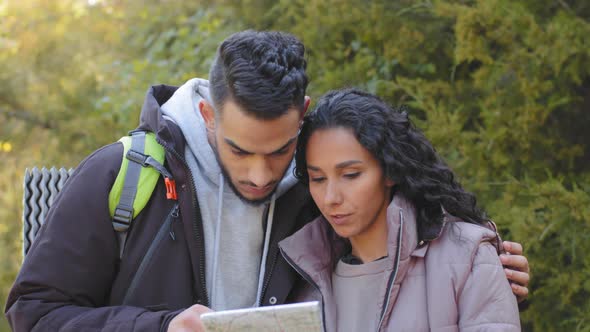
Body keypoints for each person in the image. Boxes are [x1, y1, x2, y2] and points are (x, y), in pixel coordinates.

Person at [5, 31, 528, 332]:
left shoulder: (317, 189)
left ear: (301, 115)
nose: (260, 174)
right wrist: (160, 328)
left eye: (280, 151)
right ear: (209, 115)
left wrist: (484, 267)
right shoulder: (123, 174)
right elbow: (32, 312)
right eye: (239, 150)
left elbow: (405, 248)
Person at [280, 89, 521, 331]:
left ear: (390, 171)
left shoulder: (468, 258)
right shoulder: (300, 279)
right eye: (318, 179)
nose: (331, 198)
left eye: (351, 175)